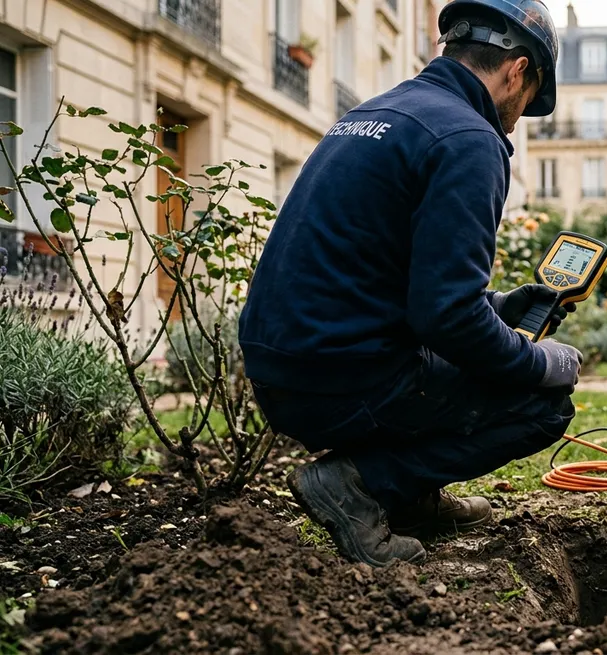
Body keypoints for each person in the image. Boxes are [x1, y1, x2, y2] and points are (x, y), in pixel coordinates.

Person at [238, 0, 582, 567]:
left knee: (451, 367)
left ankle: (410, 498)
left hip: (285, 369)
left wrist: (498, 305)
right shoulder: (469, 138)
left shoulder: (379, 113)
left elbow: (386, 279)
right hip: (339, 380)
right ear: (518, 70)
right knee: (543, 406)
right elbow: (446, 319)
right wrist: (539, 362)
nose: (519, 118)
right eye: (528, 98)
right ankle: (359, 486)